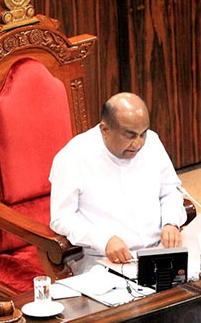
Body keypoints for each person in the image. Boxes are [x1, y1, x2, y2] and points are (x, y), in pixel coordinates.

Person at [49, 92, 187, 273]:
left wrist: (171, 222)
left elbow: (171, 190)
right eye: (130, 136)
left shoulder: (152, 141)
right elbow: (62, 218)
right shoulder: (72, 157)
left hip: (161, 250)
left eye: (142, 134)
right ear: (104, 129)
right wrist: (103, 240)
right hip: (105, 261)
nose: (138, 144)